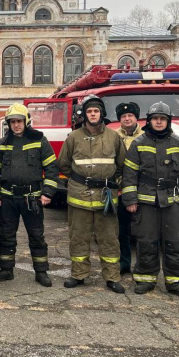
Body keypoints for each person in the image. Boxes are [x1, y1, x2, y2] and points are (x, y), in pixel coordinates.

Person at [121, 102, 179, 299]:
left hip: (172, 200)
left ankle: (177, 283)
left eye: (162, 119)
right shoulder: (139, 144)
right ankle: (145, 280)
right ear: (149, 121)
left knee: (175, 241)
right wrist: (130, 199)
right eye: (155, 118)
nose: (158, 122)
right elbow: (129, 175)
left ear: (168, 121)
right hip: (146, 201)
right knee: (146, 241)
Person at [58, 95, 126, 293]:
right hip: (80, 197)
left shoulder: (114, 137)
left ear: (101, 113)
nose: (93, 114)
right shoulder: (74, 138)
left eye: (96, 111)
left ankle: (112, 277)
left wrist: (113, 183)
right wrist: (82, 180)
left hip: (106, 198)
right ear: (84, 115)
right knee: (78, 237)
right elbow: (63, 163)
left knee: (109, 239)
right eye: (89, 111)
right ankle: (79, 274)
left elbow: (122, 165)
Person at [0, 103, 58, 287]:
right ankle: (6, 269)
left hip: (32, 198)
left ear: (26, 121)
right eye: (12, 122)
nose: (16, 125)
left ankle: (41, 271)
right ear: (9, 124)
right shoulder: (2, 144)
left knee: (36, 235)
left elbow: (51, 167)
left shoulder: (39, 140)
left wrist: (48, 192)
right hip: (8, 198)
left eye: (19, 121)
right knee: (6, 235)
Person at [115, 101, 143, 275]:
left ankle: (142, 266)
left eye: (130, 115)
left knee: (143, 231)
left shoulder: (146, 136)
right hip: (120, 189)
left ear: (136, 118)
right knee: (122, 230)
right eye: (123, 116)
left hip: (142, 190)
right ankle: (124, 263)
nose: (127, 118)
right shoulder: (113, 136)